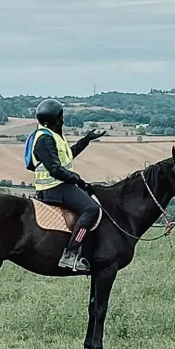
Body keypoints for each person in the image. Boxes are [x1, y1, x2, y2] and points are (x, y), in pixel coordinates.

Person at [29, 99, 106, 272]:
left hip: (60, 184)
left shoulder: (53, 136)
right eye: (60, 117)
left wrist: (86, 140)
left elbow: (67, 156)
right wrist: (76, 179)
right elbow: (55, 169)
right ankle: (70, 254)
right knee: (92, 210)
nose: (63, 120)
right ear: (54, 119)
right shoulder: (44, 140)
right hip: (54, 187)